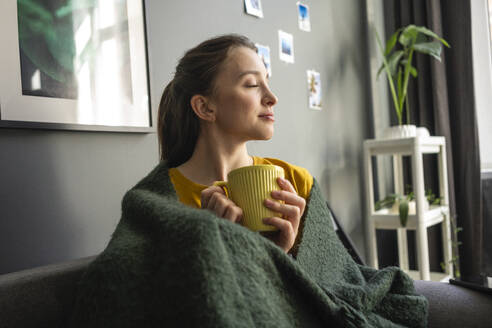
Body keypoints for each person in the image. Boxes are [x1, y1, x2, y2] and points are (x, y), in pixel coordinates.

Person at [158, 34, 313, 254]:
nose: (272, 97)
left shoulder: (298, 184)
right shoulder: (158, 201)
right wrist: (210, 246)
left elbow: (338, 283)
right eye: (251, 84)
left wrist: (281, 252)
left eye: (267, 82)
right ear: (205, 107)